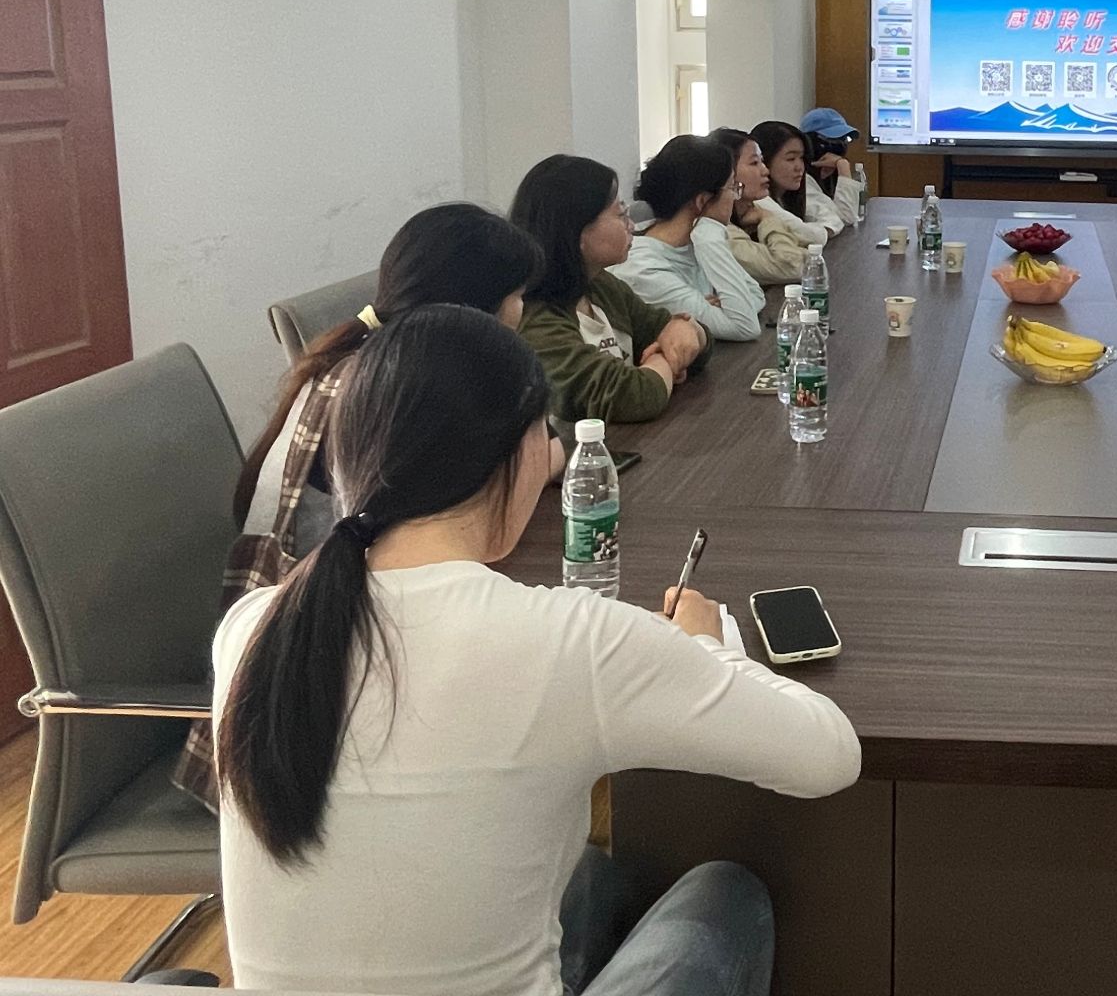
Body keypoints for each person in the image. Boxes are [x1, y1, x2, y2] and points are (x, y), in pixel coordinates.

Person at [212, 306, 861, 996]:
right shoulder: (572, 640)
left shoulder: (255, 624)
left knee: (595, 878)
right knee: (726, 894)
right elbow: (828, 755)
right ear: (523, 455)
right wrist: (708, 647)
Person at [174, 202, 545, 811]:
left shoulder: (372, 365)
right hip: (303, 704)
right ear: (471, 314)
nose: (521, 312)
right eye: (517, 296)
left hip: (326, 641)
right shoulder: (385, 395)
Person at [511, 154, 708, 424]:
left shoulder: (600, 285)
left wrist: (689, 330)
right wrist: (666, 357)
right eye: (621, 214)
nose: (631, 225)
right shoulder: (536, 321)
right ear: (577, 233)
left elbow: (686, 339)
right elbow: (631, 397)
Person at [616, 135, 767, 341]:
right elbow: (745, 326)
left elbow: (756, 294)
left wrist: (719, 310)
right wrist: (708, 234)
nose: (735, 197)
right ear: (702, 201)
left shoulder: (693, 243)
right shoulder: (642, 267)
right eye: (732, 188)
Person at [711, 126, 806, 286]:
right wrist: (768, 218)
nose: (765, 170)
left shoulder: (751, 212)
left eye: (762, 161)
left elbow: (808, 256)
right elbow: (793, 266)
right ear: (726, 172)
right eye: (754, 163)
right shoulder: (722, 231)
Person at [749, 120, 848, 244]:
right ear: (765, 160)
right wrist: (821, 231)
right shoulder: (760, 200)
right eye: (791, 159)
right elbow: (808, 235)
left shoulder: (792, 191)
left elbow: (835, 218)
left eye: (801, 158)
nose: (799, 167)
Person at [798, 106, 864, 227]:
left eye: (844, 139)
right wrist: (843, 166)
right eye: (833, 139)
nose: (840, 145)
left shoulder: (830, 174)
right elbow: (847, 218)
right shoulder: (801, 180)